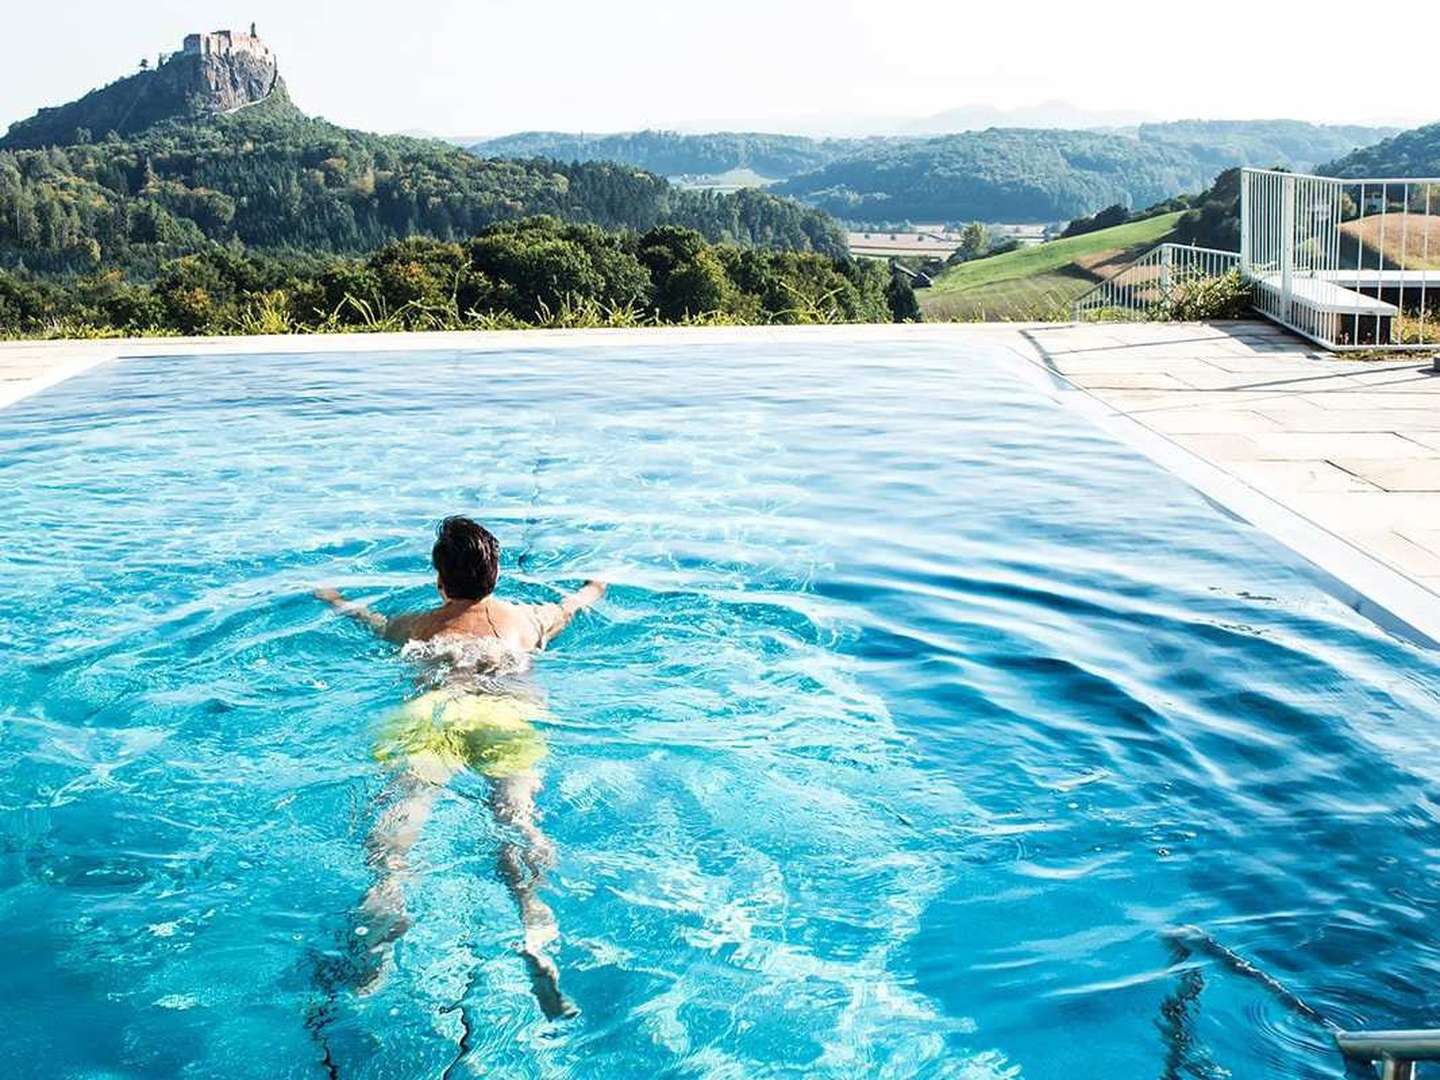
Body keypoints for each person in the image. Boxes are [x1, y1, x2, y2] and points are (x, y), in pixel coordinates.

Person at [316, 516, 605, 1020]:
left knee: (402, 816)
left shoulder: (416, 626)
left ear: (439, 579)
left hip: (432, 714)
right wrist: (594, 586)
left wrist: (336, 600)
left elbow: (372, 621)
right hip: (504, 714)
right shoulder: (527, 621)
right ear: (494, 575)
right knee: (517, 821)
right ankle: (534, 924)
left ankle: (386, 897)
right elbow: (572, 608)